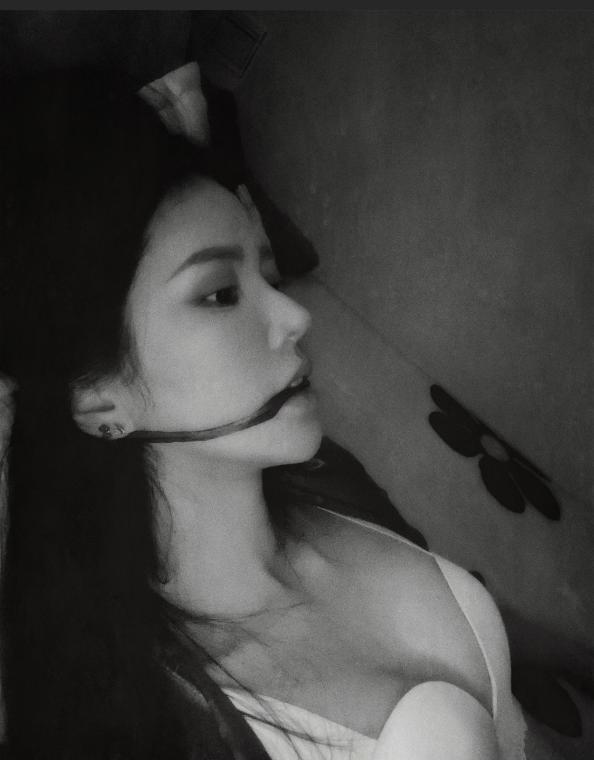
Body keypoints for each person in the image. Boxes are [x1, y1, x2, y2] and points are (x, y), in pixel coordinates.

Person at [0, 67, 529, 760]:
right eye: (220, 293)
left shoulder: (334, 480)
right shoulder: (136, 723)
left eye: (270, 275)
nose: (295, 315)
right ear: (101, 398)